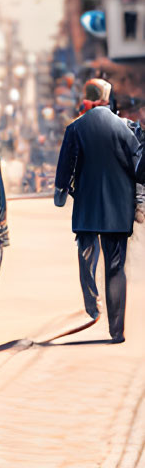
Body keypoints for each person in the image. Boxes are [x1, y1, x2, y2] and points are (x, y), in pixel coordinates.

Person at [53, 78, 143, 342]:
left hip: (87, 207)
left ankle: (93, 304)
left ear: (87, 97)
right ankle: (117, 331)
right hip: (118, 209)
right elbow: (138, 169)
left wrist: (60, 193)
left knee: (86, 256)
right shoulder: (127, 129)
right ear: (108, 97)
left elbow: (65, 167)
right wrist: (138, 200)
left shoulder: (75, 128)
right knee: (116, 267)